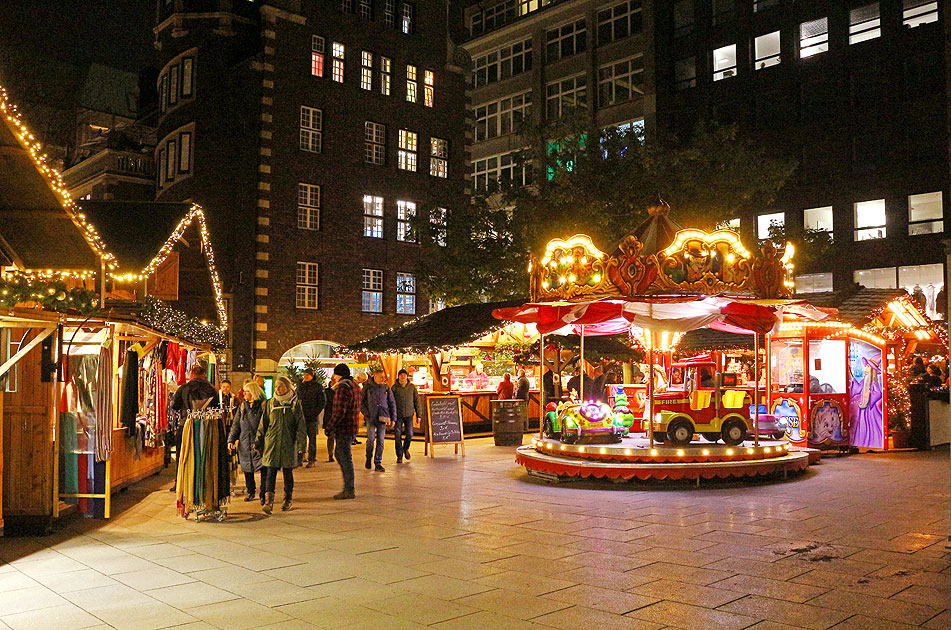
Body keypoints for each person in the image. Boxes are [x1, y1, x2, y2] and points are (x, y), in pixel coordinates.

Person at [255, 376, 306, 513]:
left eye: (280, 386)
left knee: (287, 472)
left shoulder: (295, 404)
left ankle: (287, 499)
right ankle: (269, 501)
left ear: (288, 388)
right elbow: (263, 424)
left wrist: (301, 446)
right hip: (272, 442)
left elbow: (300, 426)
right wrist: (258, 441)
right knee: (270, 472)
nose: (277, 389)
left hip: (288, 443)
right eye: (276, 386)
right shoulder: (270, 404)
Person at [325, 363, 360, 499]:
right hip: (352, 426)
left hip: (344, 427)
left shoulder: (343, 388)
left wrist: (330, 426)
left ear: (339, 374)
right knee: (342, 455)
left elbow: (339, 411)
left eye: (335, 374)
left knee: (344, 457)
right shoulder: (355, 386)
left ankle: (349, 488)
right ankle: (348, 487)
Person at [228, 382, 265, 503]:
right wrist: (231, 440)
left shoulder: (263, 406)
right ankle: (251, 491)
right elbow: (236, 425)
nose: (244, 394)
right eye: (244, 391)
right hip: (244, 442)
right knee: (247, 469)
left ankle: (264, 492)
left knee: (263, 468)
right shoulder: (242, 407)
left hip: (259, 442)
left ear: (254, 392)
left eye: (247, 391)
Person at [362, 369, 396, 472]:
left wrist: (393, 418)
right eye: (381, 377)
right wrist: (366, 413)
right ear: (375, 377)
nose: (383, 379)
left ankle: (378, 462)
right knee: (371, 439)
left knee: (381, 440)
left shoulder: (386, 388)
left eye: (383, 377)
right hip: (371, 417)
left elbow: (392, 403)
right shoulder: (367, 387)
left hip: (383, 417)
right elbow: (361, 402)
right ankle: (368, 457)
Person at [297, 368, 326, 467]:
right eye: (304, 375)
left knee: (312, 439)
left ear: (312, 376)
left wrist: (315, 412)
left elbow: (322, 401)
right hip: (302, 416)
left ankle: (311, 459)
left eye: (307, 375)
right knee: (301, 438)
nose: (305, 377)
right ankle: (299, 458)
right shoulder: (301, 387)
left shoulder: (317, 387)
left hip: (312, 417)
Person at [391, 369, 419, 463]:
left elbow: (416, 401)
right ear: (398, 376)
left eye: (404, 375)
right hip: (397, 415)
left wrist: (419, 415)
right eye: (401, 375)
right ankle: (399, 455)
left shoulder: (411, 387)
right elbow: (390, 402)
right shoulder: (394, 388)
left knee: (410, 434)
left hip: (409, 414)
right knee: (397, 436)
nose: (403, 377)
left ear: (407, 376)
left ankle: (405, 449)